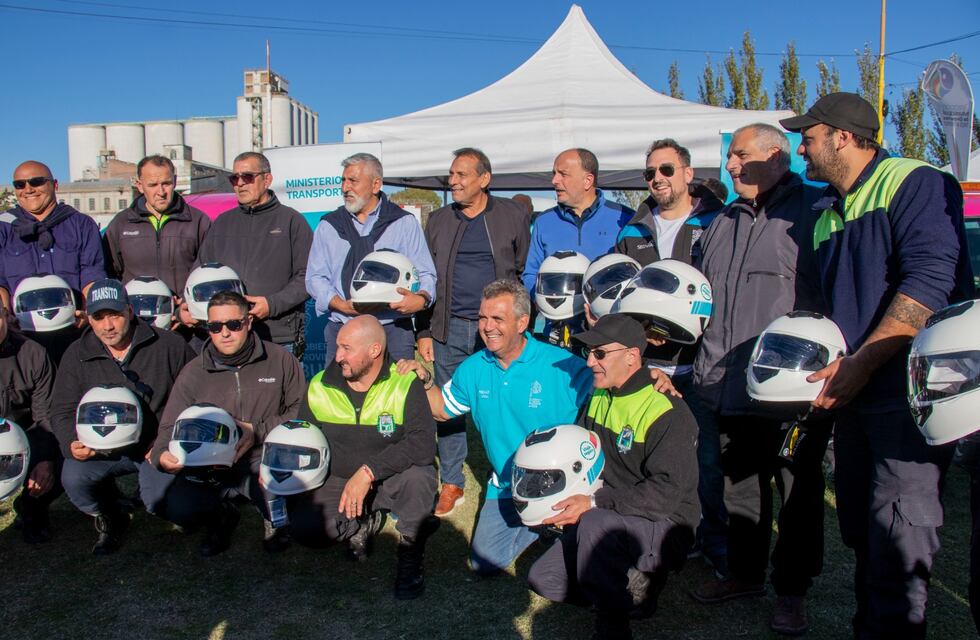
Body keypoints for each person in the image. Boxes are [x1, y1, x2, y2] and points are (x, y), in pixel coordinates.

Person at [781, 92, 973, 639]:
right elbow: (818, 313)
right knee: (864, 531)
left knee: (899, 534)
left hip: (909, 395)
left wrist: (861, 365)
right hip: (854, 398)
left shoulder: (916, 182)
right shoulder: (823, 218)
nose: (802, 148)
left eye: (809, 136)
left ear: (842, 137)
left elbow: (928, 285)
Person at [690, 123, 830, 636]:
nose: (730, 165)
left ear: (778, 156)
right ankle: (745, 574)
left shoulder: (815, 211)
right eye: (730, 156)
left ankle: (792, 591)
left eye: (740, 155)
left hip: (792, 389)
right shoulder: (723, 220)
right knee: (740, 489)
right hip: (727, 383)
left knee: (797, 493)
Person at [528, 314, 699, 640]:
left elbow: (666, 494)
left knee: (594, 524)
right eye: (589, 353)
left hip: (666, 521)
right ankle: (633, 592)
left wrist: (592, 502)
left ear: (632, 356)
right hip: (611, 512)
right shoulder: (599, 396)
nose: (590, 361)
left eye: (600, 353)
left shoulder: (669, 411)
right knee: (543, 578)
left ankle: (613, 626)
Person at [144, 290, 305, 556]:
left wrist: (257, 431)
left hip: (262, 457)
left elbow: (301, 412)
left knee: (294, 506)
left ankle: (273, 519)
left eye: (233, 324)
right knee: (175, 507)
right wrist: (163, 455)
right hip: (208, 464)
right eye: (215, 326)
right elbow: (168, 426)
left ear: (248, 322)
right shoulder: (193, 372)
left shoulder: (280, 360)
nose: (225, 333)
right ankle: (220, 517)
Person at [416, 148, 530, 518]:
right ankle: (452, 482)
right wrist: (424, 331)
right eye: (451, 174)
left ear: (484, 179)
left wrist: (516, 323)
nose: (454, 181)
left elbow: (523, 270)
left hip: (498, 331)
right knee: (448, 411)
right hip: (449, 330)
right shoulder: (437, 221)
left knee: (507, 404)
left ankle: (518, 475)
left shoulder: (512, 216)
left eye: (462, 174)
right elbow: (426, 279)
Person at [293, 315, 439, 599]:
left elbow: (422, 445)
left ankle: (411, 555)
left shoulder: (403, 383)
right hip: (340, 477)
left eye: (347, 348)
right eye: (338, 347)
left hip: (392, 476)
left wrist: (369, 471)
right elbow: (303, 437)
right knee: (306, 529)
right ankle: (361, 522)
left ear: (374, 351)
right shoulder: (320, 385)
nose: (338, 356)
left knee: (420, 478)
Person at [49, 279, 195, 554]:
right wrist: (71, 442)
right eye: (98, 317)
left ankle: (181, 501)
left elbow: (195, 397)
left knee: (173, 507)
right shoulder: (76, 354)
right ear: (88, 318)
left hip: (156, 446)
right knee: (73, 477)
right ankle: (110, 513)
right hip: (101, 449)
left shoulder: (169, 345)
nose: (108, 326)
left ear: (129, 310)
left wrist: (167, 440)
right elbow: (61, 409)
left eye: (114, 315)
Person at [306, 152, 436, 364]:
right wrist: (340, 304)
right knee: (341, 397)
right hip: (344, 329)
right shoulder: (328, 225)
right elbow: (315, 278)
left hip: (392, 330)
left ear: (376, 185)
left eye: (353, 181)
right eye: (343, 180)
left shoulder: (403, 223)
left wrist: (421, 299)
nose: (345, 187)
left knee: (394, 396)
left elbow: (425, 273)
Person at [197, 152, 313, 355]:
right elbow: (200, 271)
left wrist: (271, 304)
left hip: (277, 336)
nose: (240, 183)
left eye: (247, 177)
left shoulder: (292, 221)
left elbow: (308, 278)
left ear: (267, 179)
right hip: (229, 336)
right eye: (234, 178)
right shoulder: (221, 224)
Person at [1, 161, 105, 363]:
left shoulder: (81, 224)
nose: (28, 189)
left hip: (72, 333)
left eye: (36, 182)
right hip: (20, 336)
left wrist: (88, 311)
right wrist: (5, 318)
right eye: (20, 184)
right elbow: (1, 282)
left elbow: (92, 273)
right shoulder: (3, 228)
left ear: (55, 185)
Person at [522, 148, 633, 295]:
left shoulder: (625, 218)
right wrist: (543, 300)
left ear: (587, 181)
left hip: (607, 317)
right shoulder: (543, 221)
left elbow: (635, 274)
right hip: (557, 317)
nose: (554, 181)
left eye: (563, 174)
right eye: (554, 173)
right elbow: (530, 274)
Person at [102, 155, 211, 299]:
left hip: (185, 314)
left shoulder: (198, 222)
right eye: (153, 185)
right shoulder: (121, 223)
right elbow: (109, 273)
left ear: (175, 181)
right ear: (140, 186)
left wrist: (187, 304)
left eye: (166, 183)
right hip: (136, 314)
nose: (161, 192)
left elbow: (207, 271)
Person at [0, 302, 59, 543]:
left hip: (26, 440)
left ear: (6, 315)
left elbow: (45, 415)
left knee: (63, 463)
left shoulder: (32, 353)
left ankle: (34, 508)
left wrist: (45, 461)